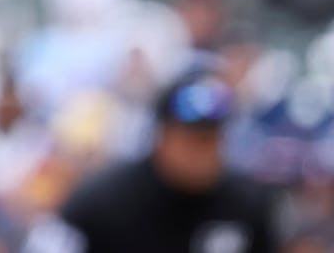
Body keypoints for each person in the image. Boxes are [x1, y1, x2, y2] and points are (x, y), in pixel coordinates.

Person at [26, 71, 279, 253]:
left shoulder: (247, 204)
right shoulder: (99, 203)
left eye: (213, 139)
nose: (205, 153)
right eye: (193, 140)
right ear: (161, 137)